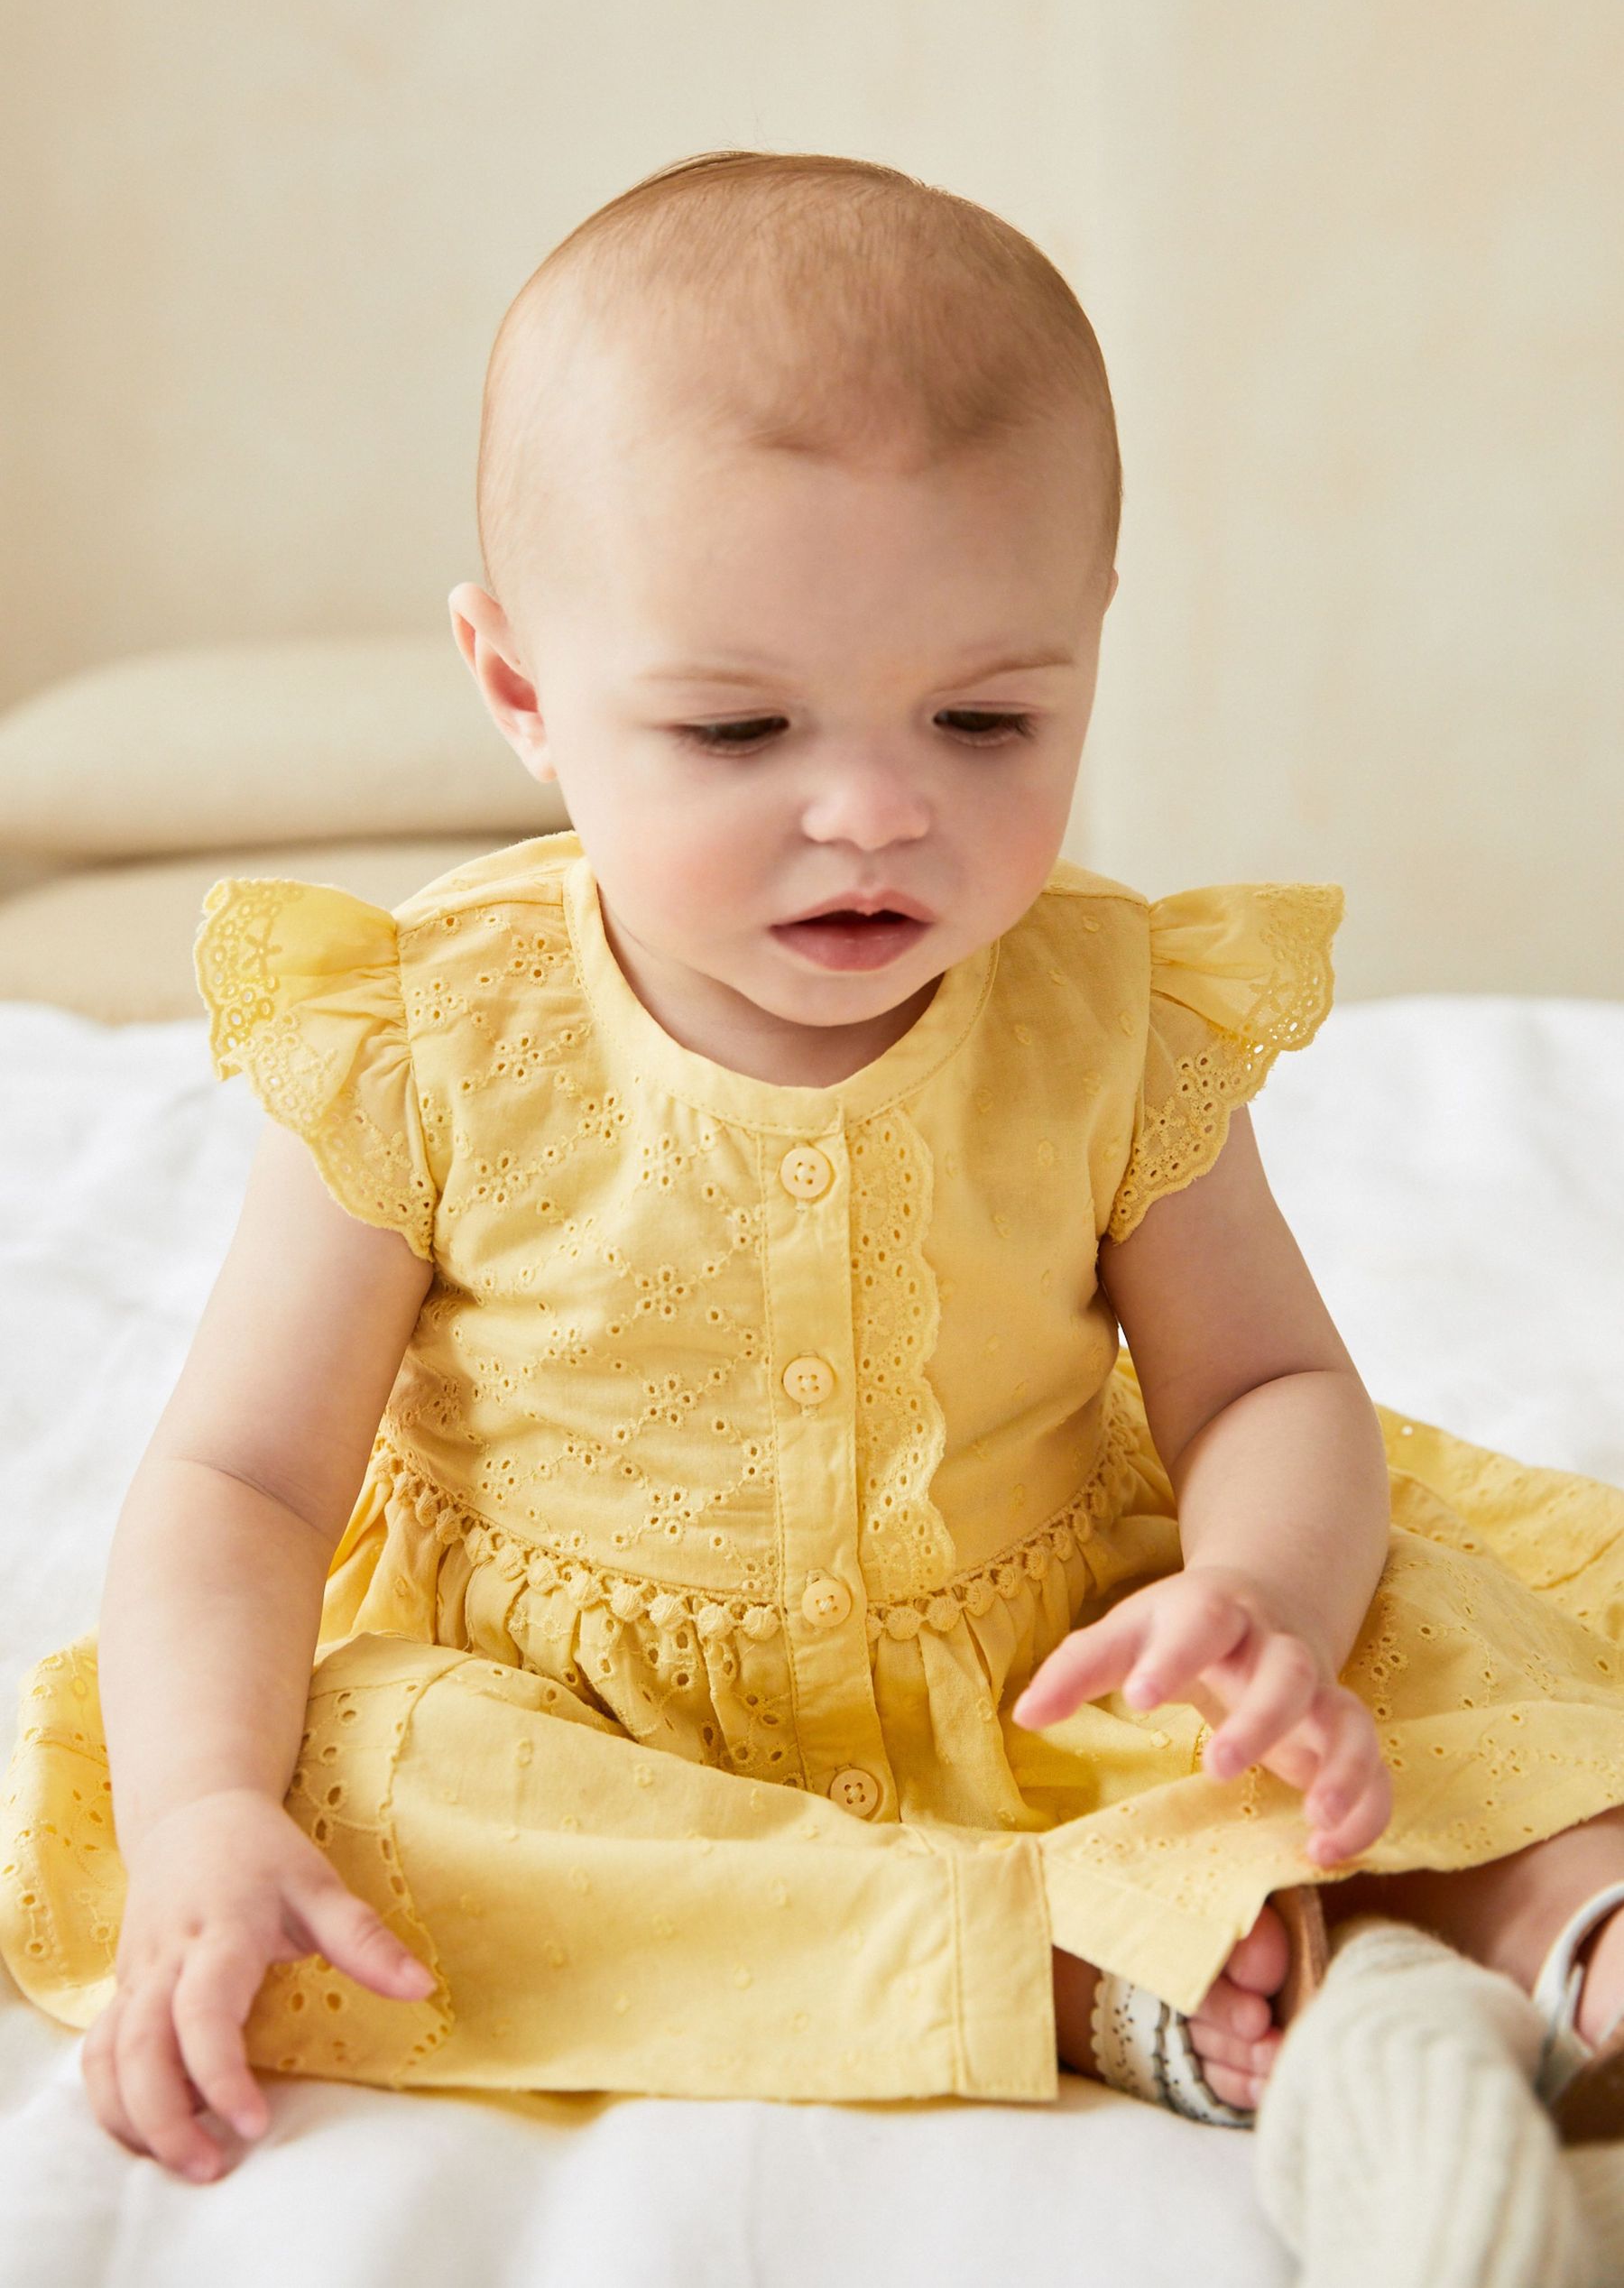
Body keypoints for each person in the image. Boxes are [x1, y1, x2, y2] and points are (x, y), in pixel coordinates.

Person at [4, 152, 1623, 2273]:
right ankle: (1047, 1970)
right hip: (597, 1711)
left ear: (1090, 652)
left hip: (1048, 1643)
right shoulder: (425, 1037)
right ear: (521, 694)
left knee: (1424, 1618)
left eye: (987, 716)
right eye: (736, 725)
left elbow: (1277, 1386)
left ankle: (1544, 1928)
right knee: (366, 1782)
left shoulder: (1109, 1019)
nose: (876, 806)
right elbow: (232, 1477)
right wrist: (211, 1805)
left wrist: (1262, 1605)